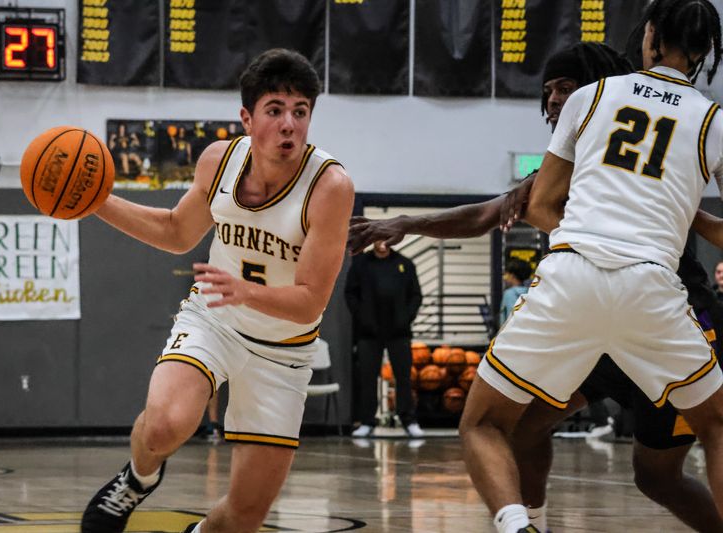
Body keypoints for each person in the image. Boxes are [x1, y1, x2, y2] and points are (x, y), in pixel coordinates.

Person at [348, 38, 723, 533]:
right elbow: (487, 213)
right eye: (546, 90)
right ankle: (534, 522)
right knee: (520, 426)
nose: (551, 100)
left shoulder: (624, 142)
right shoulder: (567, 159)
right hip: (595, 322)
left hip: (663, 317)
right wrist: (405, 224)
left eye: (564, 88)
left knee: (657, 477)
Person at [458, 1, 723, 531]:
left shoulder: (591, 95)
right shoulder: (712, 121)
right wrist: (682, 215)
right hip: (652, 287)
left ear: (649, 35)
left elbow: (538, 206)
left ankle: (517, 523)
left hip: (571, 276)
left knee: (484, 423)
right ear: (704, 53)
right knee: (717, 427)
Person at [80, 48, 354, 533]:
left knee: (243, 517)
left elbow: (311, 299)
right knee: (163, 426)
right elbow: (175, 232)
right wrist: (97, 203)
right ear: (247, 118)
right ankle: (138, 479)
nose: (289, 124)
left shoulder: (330, 186)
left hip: (284, 350)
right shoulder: (218, 160)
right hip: (215, 320)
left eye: (301, 111)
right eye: (275, 110)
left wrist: (247, 292)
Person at [345, 240, 423, 437]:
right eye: (378, 238)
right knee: (368, 378)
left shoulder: (405, 264)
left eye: (386, 238)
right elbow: (350, 294)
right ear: (373, 241)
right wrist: (362, 317)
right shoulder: (361, 263)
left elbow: (416, 295)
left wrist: (406, 317)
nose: (382, 243)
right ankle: (367, 422)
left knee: (403, 377)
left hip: (399, 332)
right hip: (369, 332)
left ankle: (408, 420)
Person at [499, 259, 532, 325]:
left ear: (512, 275)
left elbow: (511, 318)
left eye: (506, 274)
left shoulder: (509, 294)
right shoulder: (530, 292)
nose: (504, 277)